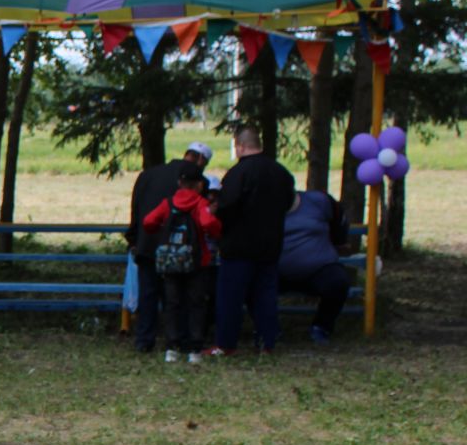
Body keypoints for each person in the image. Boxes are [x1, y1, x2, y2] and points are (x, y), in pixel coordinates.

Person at [211, 126, 295, 355]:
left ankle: (227, 343)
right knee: (266, 296)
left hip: (238, 246)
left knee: (230, 297)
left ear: (239, 146)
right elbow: (289, 203)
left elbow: (227, 207)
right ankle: (267, 342)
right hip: (270, 245)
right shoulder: (281, 172)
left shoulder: (237, 174)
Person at [125, 142, 211, 354]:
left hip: (148, 243)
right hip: (181, 249)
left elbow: (137, 209)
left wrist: (134, 239)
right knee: (179, 297)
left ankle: (144, 340)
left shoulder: (148, 175)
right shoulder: (197, 182)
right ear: (201, 160)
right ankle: (179, 340)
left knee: (148, 294)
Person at [140, 161, 223, 363]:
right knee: (196, 303)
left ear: (179, 182)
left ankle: (172, 348)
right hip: (197, 262)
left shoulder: (168, 203)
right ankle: (194, 348)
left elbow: (148, 221)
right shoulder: (200, 204)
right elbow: (209, 224)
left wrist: (161, 229)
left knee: (172, 303)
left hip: (171, 261)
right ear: (200, 185)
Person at [279, 184, 352, 343]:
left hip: (319, 268)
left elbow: (339, 221)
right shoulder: (260, 207)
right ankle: (268, 327)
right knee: (248, 279)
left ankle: (322, 327)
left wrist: (339, 241)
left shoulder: (318, 201)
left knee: (338, 282)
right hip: (274, 271)